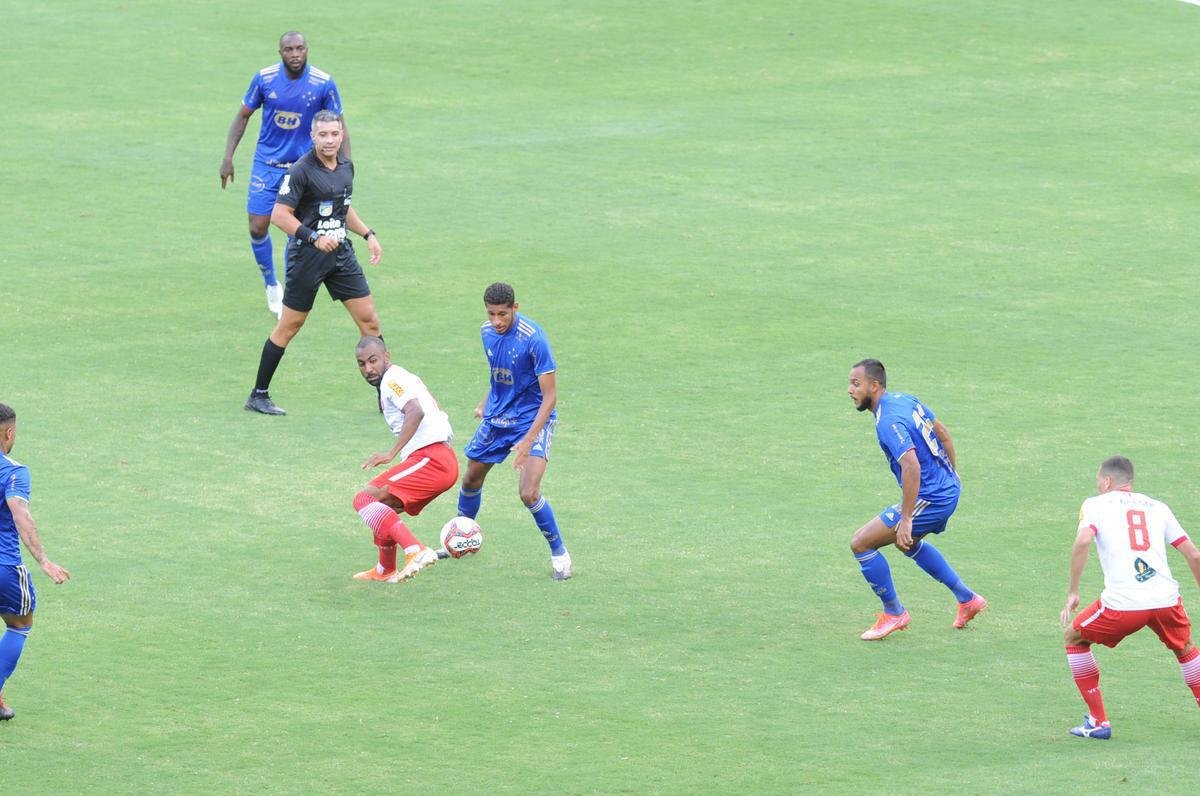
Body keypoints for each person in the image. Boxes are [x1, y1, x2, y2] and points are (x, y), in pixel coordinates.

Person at [244, 110, 383, 416]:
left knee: (370, 321)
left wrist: (367, 234)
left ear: (341, 134)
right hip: (307, 258)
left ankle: (386, 396)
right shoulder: (300, 171)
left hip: (341, 256)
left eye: (334, 134)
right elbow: (280, 216)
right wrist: (313, 238)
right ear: (313, 137)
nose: (329, 140)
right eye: (323, 135)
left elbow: (342, 207)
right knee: (290, 325)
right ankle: (258, 394)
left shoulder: (346, 166)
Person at [1060, 456, 1200, 740]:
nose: (1098, 486)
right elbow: (1194, 554)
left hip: (1124, 604)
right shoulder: (1158, 507)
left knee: (1074, 637)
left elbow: (1084, 540)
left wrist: (1073, 591)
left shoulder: (1095, 505)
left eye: (1099, 481)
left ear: (1108, 481)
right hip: (1166, 600)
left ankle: (1098, 722)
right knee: (1185, 648)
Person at [847, 358, 986, 640]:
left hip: (931, 497)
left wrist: (907, 518)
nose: (850, 390)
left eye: (856, 384)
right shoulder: (905, 400)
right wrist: (952, 473)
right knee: (907, 543)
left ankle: (894, 613)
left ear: (874, 386)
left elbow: (912, 466)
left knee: (861, 543)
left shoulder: (888, 421)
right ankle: (967, 599)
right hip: (946, 489)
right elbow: (942, 433)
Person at [220, 31, 348, 318]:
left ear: (307, 49)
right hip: (267, 163)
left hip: (304, 167)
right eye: (288, 49)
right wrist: (228, 157)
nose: (295, 54)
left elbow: (339, 123)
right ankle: (270, 285)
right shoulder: (264, 79)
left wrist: (344, 165)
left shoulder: (322, 83)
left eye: (299, 48)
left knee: (297, 229)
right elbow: (243, 115)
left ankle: (291, 290)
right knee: (257, 226)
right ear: (280, 52)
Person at [456, 282, 571, 580]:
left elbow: (550, 397)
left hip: (532, 419)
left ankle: (559, 553)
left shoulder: (535, 340)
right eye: (492, 314)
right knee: (470, 476)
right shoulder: (486, 332)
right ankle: (462, 534)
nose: (497, 321)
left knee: (528, 492)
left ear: (515, 308)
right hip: (498, 417)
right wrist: (486, 402)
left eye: (503, 314)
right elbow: (499, 373)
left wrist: (528, 439)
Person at [350, 336, 459, 582]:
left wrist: (391, 453)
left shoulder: (392, 380)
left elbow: (415, 411)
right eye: (361, 364)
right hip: (436, 459)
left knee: (364, 498)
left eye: (373, 360)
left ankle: (415, 550)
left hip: (432, 459)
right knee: (383, 505)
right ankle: (385, 568)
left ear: (386, 356)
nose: (368, 369)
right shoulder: (401, 377)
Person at [0, 404, 70, 722]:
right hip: (4, 568)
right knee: (20, 625)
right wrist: (43, 560)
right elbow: (20, 514)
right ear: (9, 432)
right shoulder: (13, 471)